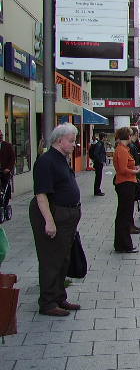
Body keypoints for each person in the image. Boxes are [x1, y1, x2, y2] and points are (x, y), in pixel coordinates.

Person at [29, 123, 82, 316]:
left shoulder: (61, 159)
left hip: (66, 216)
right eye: (71, 141)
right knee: (51, 259)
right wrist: (49, 222)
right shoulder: (46, 161)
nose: (74, 144)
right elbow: (41, 194)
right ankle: (48, 303)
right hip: (54, 215)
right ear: (59, 141)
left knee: (62, 258)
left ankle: (59, 297)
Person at [113, 127, 140, 253]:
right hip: (126, 184)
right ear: (128, 136)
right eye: (131, 135)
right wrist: (135, 171)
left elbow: (124, 167)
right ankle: (124, 245)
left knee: (123, 215)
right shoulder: (122, 150)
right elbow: (122, 169)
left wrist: (134, 168)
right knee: (125, 215)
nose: (132, 138)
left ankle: (121, 244)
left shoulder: (123, 149)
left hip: (125, 183)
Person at [0, 129, 16, 211]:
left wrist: (8, 168)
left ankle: (4, 203)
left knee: (6, 186)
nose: (1, 137)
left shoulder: (7, 146)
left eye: (1, 136)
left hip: (5, 171)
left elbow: (12, 158)